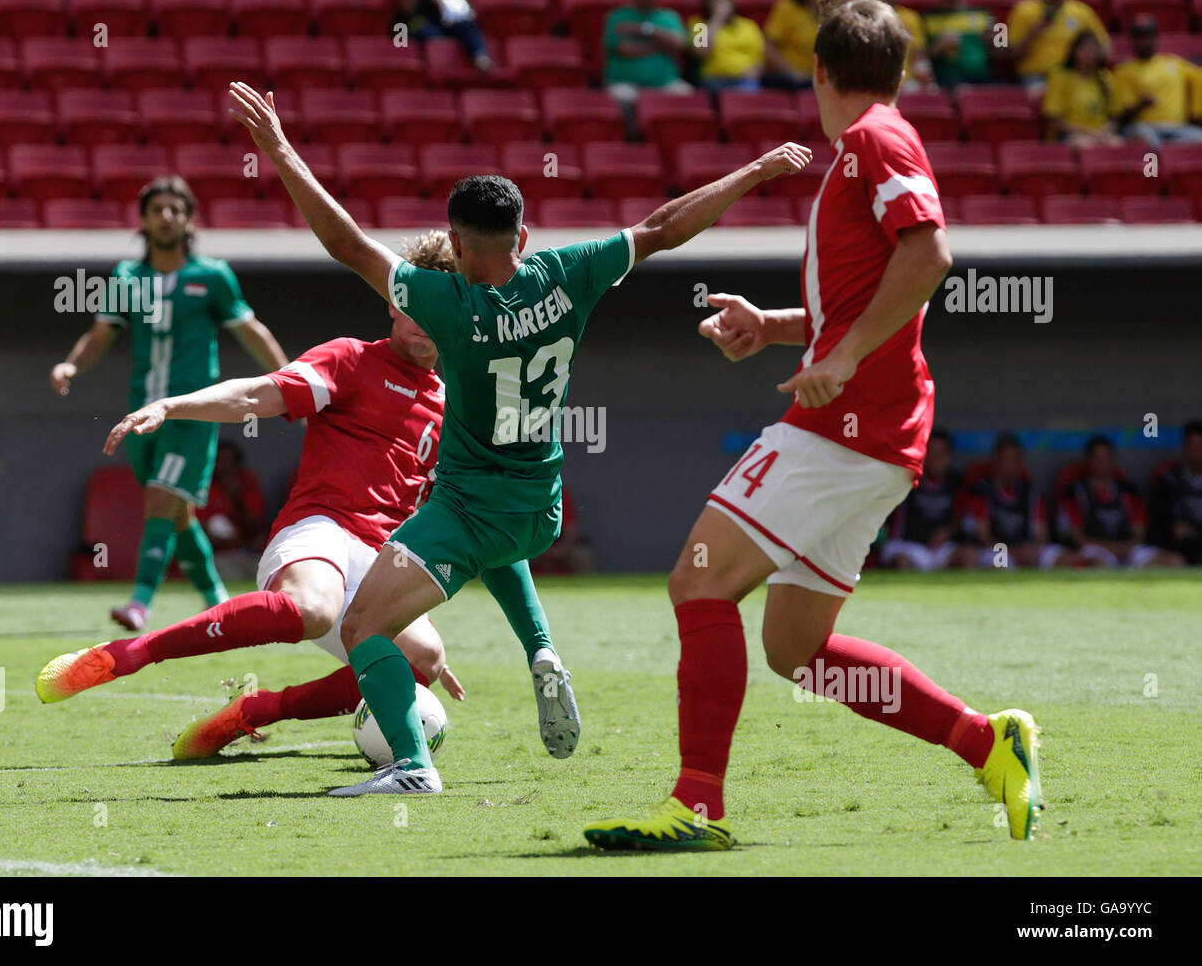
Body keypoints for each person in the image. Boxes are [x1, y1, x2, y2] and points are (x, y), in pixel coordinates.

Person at [227, 80, 810, 797]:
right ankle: (540, 649)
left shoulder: (446, 301)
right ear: (523, 237)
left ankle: (411, 768)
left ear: (459, 245)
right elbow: (663, 228)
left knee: (365, 628)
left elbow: (346, 242)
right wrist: (755, 172)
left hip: (470, 510)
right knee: (474, 528)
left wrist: (281, 150)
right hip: (542, 508)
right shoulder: (567, 274)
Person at [584, 0, 1042, 852]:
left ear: (818, 72)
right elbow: (882, 290)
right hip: (876, 432)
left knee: (699, 581)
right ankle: (987, 742)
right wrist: (779, 325)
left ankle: (697, 807)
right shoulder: (876, 142)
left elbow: (929, 255)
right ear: (901, 71)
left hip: (848, 426)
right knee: (797, 649)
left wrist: (838, 360)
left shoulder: (873, 137)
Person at [36, 233, 495, 761]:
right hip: (319, 530)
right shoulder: (350, 360)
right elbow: (257, 393)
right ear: (393, 303)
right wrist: (173, 405)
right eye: (414, 303)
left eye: (440, 306)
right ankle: (134, 652)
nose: (424, 319)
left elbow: (434, 508)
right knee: (314, 609)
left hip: (380, 556)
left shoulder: (452, 405)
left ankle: (256, 711)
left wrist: (413, 615)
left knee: (425, 661)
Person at [50, 176, 289, 632]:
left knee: (161, 499)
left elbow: (251, 330)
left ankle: (140, 604)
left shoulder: (212, 275)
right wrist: (70, 367)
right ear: (142, 219)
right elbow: (100, 335)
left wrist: (289, 378)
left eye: (175, 209)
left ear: (189, 219)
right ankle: (219, 601)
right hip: (140, 414)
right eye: (156, 208)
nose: (166, 216)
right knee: (177, 513)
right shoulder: (127, 277)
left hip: (193, 412)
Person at [962, 433, 1082, 569]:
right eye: (1006, 459)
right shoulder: (982, 491)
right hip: (996, 549)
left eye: (1015, 459)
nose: (1010, 465)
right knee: (1000, 563)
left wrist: (1032, 550)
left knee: (1060, 557)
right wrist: (1013, 552)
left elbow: (1041, 535)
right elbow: (982, 536)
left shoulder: (1032, 493)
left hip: (1027, 548)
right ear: (995, 461)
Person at [1060, 436, 1183, 568]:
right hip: (1095, 550)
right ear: (1089, 461)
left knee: (1174, 561)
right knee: (1098, 565)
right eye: (1098, 458)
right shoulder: (1075, 493)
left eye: (1106, 458)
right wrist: (1109, 548)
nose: (1102, 463)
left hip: (1128, 548)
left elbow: (1139, 533)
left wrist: (1123, 548)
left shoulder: (1129, 491)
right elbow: (1077, 538)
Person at [881, 428, 974, 570]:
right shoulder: (906, 479)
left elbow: (964, 519)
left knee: (969, 555)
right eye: (932, 453)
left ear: (949, 456)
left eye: (941, 454)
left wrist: (948, 531)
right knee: (902, 562)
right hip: (908, 545)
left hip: (941, 548)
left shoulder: (958, 482)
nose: (936, 459)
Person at [604, 0, 693, 120]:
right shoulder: (617, 16)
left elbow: (680, 44)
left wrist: (644, 29)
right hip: (626, 84)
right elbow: (625, 50)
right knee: (621, 98)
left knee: (687, 95)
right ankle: (630, 140)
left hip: (665, 83)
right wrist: (661, 47)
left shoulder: (670, 17)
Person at [1113, 14, 1202, 150]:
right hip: (1143, 127)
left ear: (1156, 37)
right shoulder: (1124, 71)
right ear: (1132, 40)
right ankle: (1156, 169)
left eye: (1148, 36)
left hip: (1177, 128)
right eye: (1139, 37)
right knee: (1147, 138)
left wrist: (1197, 113)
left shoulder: (1174, 63)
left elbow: (1198, 76)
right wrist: (1140, 105)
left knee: (1198, 137)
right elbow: (1120, 118)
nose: (1144, 41)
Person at [1006, 0, 1109, 89]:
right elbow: (1012, 57)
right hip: (1038, 77)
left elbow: (1105, 48)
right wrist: (1033, 32)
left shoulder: (1082, 12)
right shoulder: (1023, 11)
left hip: (1075, 76)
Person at [200, 440, 269, 580]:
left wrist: (237, 499)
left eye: (229, 461)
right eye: (220, 461)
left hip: (248, 553)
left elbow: (257, 528)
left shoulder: (246, 482)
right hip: (218, 556)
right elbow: (197, 529)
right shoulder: (204, 484)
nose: (224, 467)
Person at [395, 0, 494, 72]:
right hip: (421, 21)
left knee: (467, 26)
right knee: (431, 35)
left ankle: (480, 55)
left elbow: (468, 10)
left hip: (449, 21)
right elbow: (408, 9)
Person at [1043, 29, 1120, 146]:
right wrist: (1089, 132)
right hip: (1069, 135)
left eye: (1094, 49)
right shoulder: (1060, 77)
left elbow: (1115, 116)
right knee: (1085, 144)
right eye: (1086, 48)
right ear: (1075, 51)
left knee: (1117, 144)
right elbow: (1054, 121)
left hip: (1100, 134)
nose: (1090, 53)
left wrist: (1107, 130)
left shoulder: (1105, 77)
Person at [688, 0, 766, 93]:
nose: (721, 1)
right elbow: (702, 51)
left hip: (745, 80)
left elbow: (762, 57)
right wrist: (717, 18)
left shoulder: (749, 25)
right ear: (707, 0)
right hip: (713, 81)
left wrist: (755, 71)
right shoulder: (698, 24)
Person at [922, 0, 997, 88]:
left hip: (984, 78)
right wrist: (939, 46)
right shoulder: (928, 18)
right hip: (948, 81)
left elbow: (1004, 49)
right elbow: (920, 58)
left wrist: (994, 42)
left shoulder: (986, 15)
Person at [763, 0, 833, 89]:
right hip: (792, 82)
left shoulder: (838, 8)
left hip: (827, 81)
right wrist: (791, 72)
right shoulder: (787, 6)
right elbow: (768, 46)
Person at [1150, 419, 1202, 564]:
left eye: (1201, 445)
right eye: (1193, 445)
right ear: (1184, 447)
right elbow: (1160, 519)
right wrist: (1172, 528)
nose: (1197, 451)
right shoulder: (1169, 479)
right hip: (1181, 545)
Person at [873, 0, 932, 92]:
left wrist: (925, 83)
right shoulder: (867, 18)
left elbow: (918, 54)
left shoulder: (911, 18)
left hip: (906, 81)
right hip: (875, 81)